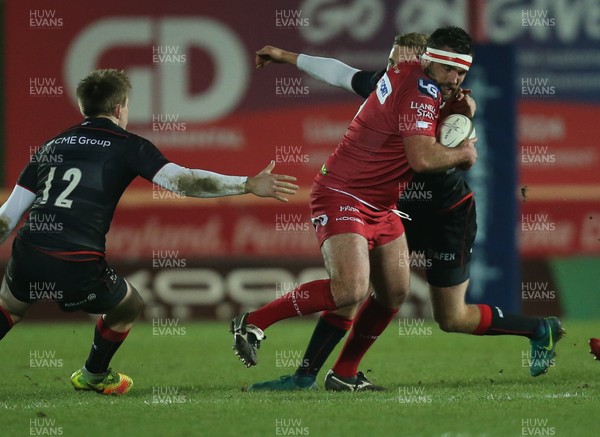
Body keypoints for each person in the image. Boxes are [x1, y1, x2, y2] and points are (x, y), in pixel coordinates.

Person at [246, 27, 564, 392]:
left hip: (446, 212)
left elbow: (456, 155)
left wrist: (462, 132)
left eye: (400, 61)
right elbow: (338, 72)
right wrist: (286, 56)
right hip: (393, 205)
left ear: (424, 61)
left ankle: (539, 328)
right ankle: (315, 375)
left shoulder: (455, 104)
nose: (391, 68)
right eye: (390, 61)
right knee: (354, 287)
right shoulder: (393, 83)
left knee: (451, 316)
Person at [0, 69, 299, 395]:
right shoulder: (128, 145)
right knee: (129, 305)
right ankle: (94, 374)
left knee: (11, 308)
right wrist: (247, 184)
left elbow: (8, 216)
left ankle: (92, 372)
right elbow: (183, 181)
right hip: (78, 258)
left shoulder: (49, 146)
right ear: (119, 108)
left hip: (30, 249)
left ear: (84, 107)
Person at [230, 26, 478, 393]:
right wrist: (466, 152)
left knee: (394, 291)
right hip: (343, 193)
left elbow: (339, 72)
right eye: (448, 70)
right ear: (427, 61)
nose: (454, 79)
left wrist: (285, 56)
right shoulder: (419, 92)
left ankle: (344, 373)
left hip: (381, 204)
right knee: (350, 289)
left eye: (461, 72)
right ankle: (252, 321)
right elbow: (423, 158)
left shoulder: (407, 78)